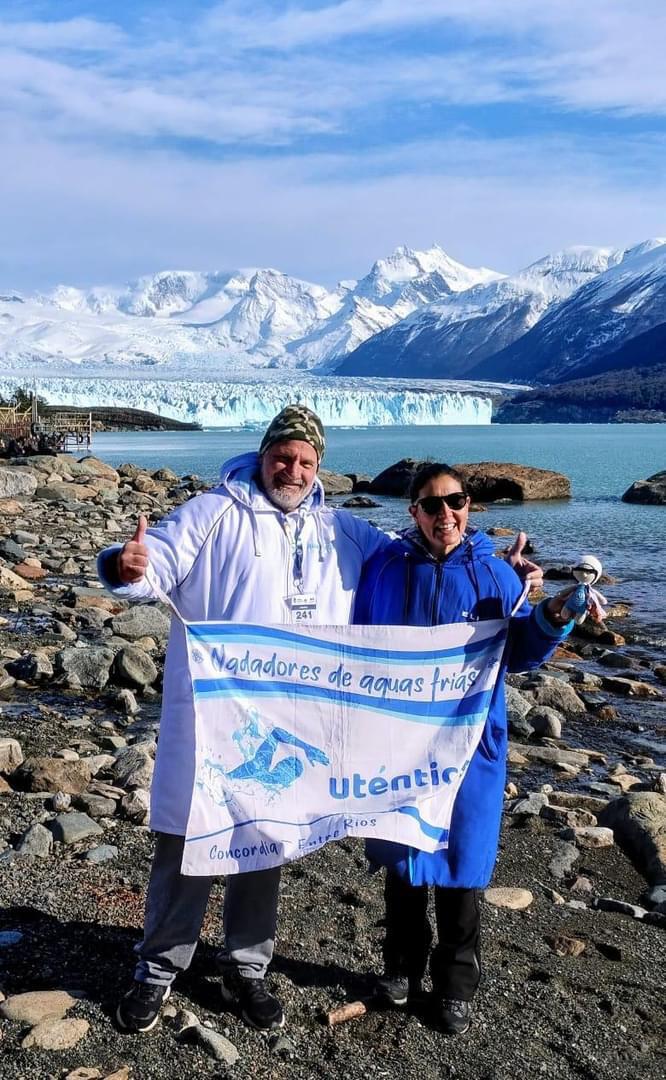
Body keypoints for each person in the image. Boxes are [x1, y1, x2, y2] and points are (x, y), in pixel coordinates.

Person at [98, 413, 542, 1036]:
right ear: (263, 455)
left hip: (287, 722)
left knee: (264, 839)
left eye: (307, 461)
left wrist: (497, 567)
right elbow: (157, 563)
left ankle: (246, 968)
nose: (294, 471)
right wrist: (127, 565)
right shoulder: (212, 513)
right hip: (212, 714)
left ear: (319, 467)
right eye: (284, 457)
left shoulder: (340, 528)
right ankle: (157, 971)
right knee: (190, 840)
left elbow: (417, 554)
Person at [353, 463, 574, 1037]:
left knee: (462, 866)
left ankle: (453, 986)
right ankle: (399, 970)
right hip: (399, 743)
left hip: (472, 743)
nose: (444, 514)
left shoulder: (498, 577)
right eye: (431, 505)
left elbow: (520, 653)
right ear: (413, 514)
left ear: (469, 506)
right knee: (404, 862)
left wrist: (551, 616)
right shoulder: (383, 570)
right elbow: (355, 644)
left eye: (455, 502)